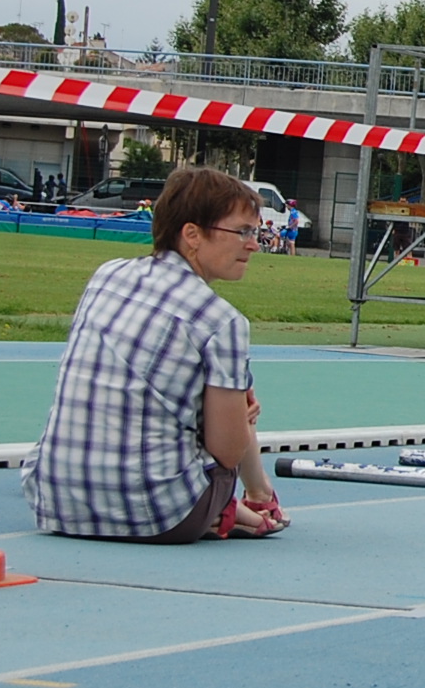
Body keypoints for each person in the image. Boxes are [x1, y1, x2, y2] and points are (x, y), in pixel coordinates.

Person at [21, 167, 287, 541]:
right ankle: (250, 502)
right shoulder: (222, 321)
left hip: (55, 502)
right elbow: (227, 452)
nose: (254, 245)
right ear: (192, 234)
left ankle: (235, 508)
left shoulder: (106, 276)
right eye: (243, 232)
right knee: (238, 412)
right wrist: (239, 418)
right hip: (161, 515)